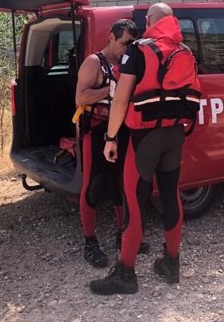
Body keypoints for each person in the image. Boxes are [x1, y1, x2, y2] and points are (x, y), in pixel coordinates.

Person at [89, 3, 201, 295]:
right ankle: (171, 263)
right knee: (170, 194)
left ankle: (125, 274)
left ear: (151, 20)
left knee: (134, 201)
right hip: (175, 134)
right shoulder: (185, 52)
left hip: (145, 138)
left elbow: (121, 99)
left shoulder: (138, 50)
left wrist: (111, 138)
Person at [74, 19, 141, 268]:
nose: (127, 48)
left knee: (121, 185)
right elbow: (80, 97)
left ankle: (121, 235)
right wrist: (112, 89)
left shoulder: (127, 63)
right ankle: (90, 243)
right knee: (93, 185)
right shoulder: (95, 62)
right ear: (111, 38)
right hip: (97, 131)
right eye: (124, 43)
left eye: (131, 44)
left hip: (121, 130)